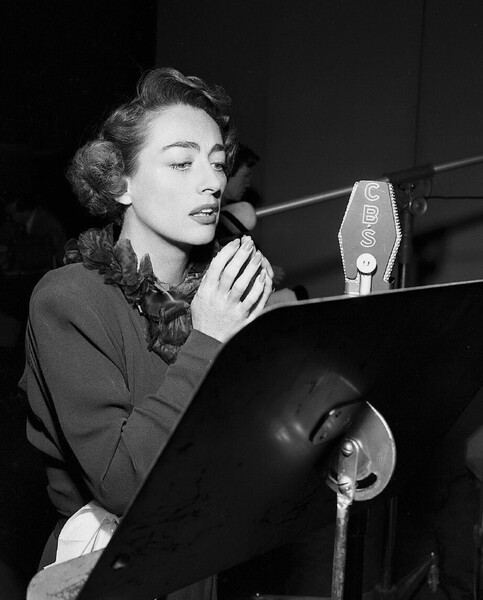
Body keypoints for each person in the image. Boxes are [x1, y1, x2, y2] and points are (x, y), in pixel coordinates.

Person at [19, 67, 273, 597]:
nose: (212, 182)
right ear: (120, 183)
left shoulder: (219, 299)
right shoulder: (69, 298)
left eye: (218, 163)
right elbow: (123, 482)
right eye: (181, 162)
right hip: (109, 575)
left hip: (206, 564)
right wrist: (210, 339)